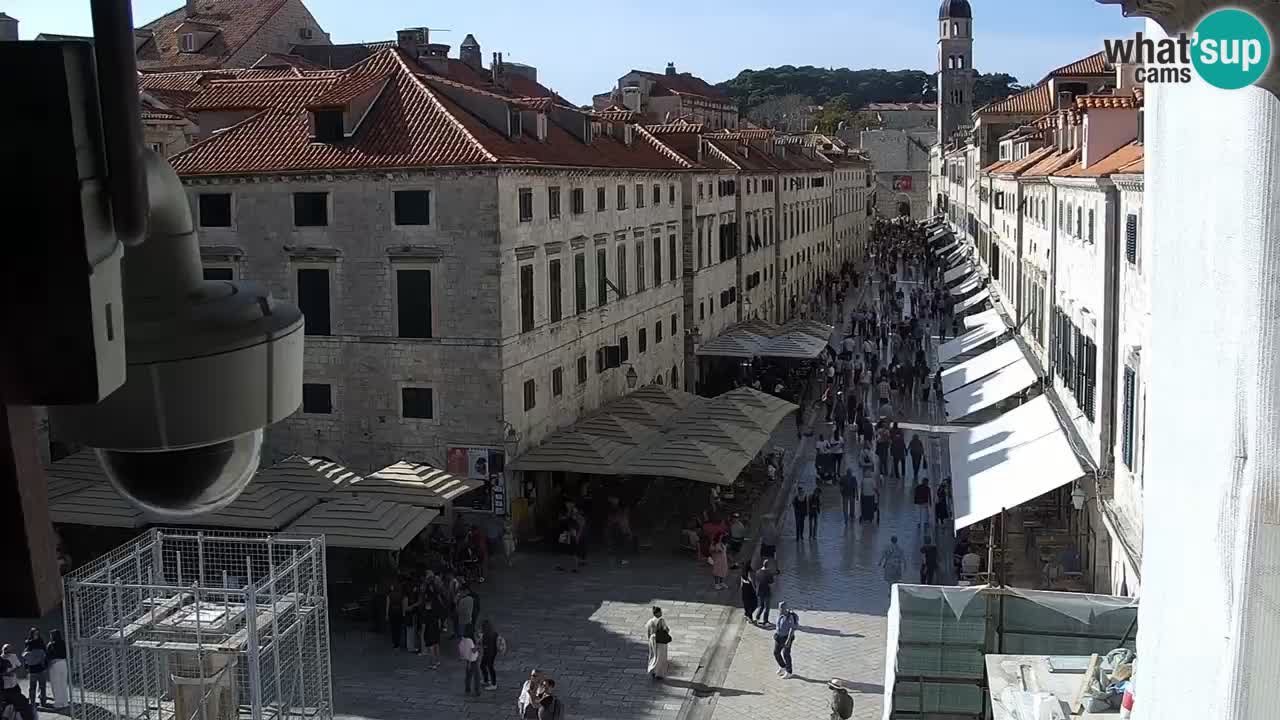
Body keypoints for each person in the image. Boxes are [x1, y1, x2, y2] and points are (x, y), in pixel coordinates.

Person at [0, 644, 33, 720]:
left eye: (8, 649)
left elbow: (18, 666)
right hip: (4, 687)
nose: (7, 651)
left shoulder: (13, 657)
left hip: (12, 685)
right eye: (5, 649)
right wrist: (6, 674)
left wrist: (13, 671)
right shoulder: (1, 659)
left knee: (18, 701)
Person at [773, 602, 800, 679]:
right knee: (776, 652)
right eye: (779, 607)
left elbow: (792, 629)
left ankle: (789, 672)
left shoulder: (790, 617)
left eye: (781, 608)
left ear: (785, 608)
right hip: (778, 637)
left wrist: (788, 640)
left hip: (786, 638)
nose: (779, 609)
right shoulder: (780, 614)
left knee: (786, 654)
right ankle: (783, 667)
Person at [45, 629, 68, 713]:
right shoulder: (63, 643)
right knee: (63, 683)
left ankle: (58, 703)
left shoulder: (50, 644)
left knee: (56, 684)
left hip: (54, 664)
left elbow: (47, 656)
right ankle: (65, 702)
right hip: (63, 663)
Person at [22, 629, 47, 707]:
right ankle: (32, 702)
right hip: (33, 669)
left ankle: (42, 702)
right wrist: (26, 666)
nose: (36, 635)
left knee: (42, 686)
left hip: (40, 668)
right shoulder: (28, 642)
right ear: (32, 634)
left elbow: (45, 654)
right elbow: (26, 656)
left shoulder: (39, 642)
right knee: (33, 687)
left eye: (37, 633)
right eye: (35, 633)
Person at [645, 606, 671, 680]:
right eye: (660, 612)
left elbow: (648, 632)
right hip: (660, 640)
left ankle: (652, 670)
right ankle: (659, 673)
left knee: (653, 655)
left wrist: (649, 640)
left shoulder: (650, 621)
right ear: (657, 613)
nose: (661, 613)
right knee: (660, 656)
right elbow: (666, 629)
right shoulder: (661, 621)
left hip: (652, 640)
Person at [479, 619, 504, 691]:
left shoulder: (486, 636)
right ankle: (486, 680)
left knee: (489, 667)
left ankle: (493, 683)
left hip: (489, 653)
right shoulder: (494, 633)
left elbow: (484, 645)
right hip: (492, 653)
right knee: (483, 666)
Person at [459, 627, 482, 697]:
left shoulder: (463, 639)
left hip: (467, 660)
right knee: (477, 676)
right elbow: (473, 650)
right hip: (473, 660)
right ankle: (477, 691)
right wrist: (478, 644)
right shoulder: (470, 641)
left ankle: (467, 689)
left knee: (468, 676)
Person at [754, 559, 778, 625]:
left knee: (761, 606)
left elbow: (756, 581)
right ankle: (765, 620)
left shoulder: (757, 572)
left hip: (759, 591)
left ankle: (757, 618)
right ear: (768, 565)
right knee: (767, 607)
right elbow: (771, 583)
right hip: (766, 592)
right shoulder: (769, 573)